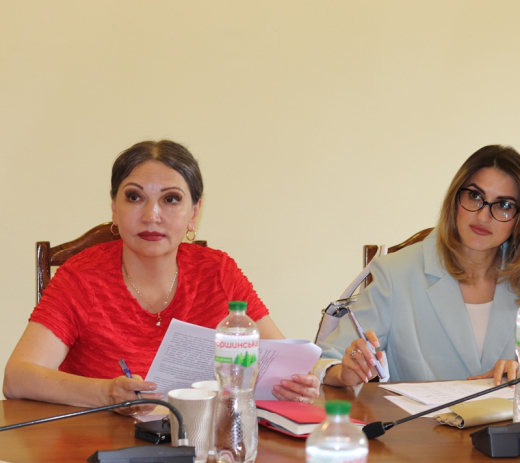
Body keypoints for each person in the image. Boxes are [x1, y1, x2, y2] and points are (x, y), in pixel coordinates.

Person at [3, 140, 320, 414]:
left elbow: (284, 361)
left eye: (171, 199)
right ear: (114, 207)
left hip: (202, 443)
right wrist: (106, 394)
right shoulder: (81, 276)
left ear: (194, 213)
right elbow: (17, 378)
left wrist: (298, 383)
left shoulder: (218, 271)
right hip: (99, 443)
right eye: (134, 197)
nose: (151, 215)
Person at [317, 145, 520, 388]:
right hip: (419, 418)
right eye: (475, 196)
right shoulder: (396, 273)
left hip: (509, 417)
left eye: (504, 205)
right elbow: (326, 359)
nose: (483, 216)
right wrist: (345, 372)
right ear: (455, 198)